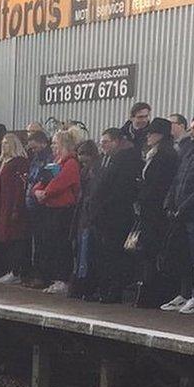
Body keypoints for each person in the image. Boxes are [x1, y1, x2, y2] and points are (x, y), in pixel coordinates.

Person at [85, 128, 142, 303]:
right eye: (101, 143)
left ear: (116, 142)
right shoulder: (103, 161)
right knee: (102, 254)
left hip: (115, 215)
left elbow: (119, 190)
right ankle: (103, 287)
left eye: (106, 142)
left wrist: (101, 206)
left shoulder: (125, 160)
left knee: (114, 254)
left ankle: (114, 291)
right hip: (101, 215)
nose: (103, 146)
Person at [133, 118, 180, 307]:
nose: (148, 136)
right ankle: (150, 291)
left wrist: (142, 190)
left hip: (155, 211)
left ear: (160, 135)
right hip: (151, 209)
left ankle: (152, 293)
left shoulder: (165, 156)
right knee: (149, 251)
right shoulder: (159, 154)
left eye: (151, 133)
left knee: (152, 250)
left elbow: (158, 185)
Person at [31, 130, 81, 294]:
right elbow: (43, 179)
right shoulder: (55, 161)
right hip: (51, 208)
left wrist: (45, 193)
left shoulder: (71, 163)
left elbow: (61, 181)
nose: (52, 146)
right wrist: (37, 191)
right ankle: (54, 277)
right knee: (51, 243)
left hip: (63, 210)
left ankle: (63, 279)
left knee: (62, 245)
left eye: (55, 143)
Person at [163, 117, 194, 313]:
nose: (192, 132)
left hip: (190, 213)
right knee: (183, 255)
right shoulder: (188, 152)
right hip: (181, 213)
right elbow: (177, 179)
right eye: (192, 128)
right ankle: (184, 293)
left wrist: (183, 207)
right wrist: (169, 202)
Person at [0, 134, 30, 285]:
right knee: (3, 237)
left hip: (13, 203)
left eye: (7, 143)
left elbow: (20, 186)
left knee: (15, 237)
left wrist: (16, 207)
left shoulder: (19, 162)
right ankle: (7, 270)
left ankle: (16, 271)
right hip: (2, 204)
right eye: (3, 143)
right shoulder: (2, 162)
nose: (4, 146)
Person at [69, 140, 102, 299]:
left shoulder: (94, 171)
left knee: (86, 253)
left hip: (88, 217)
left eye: (84, 155)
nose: (81, 158)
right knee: (82, 252)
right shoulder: (87, 171)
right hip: (83, 215)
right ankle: (83, 286)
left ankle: (85, 286)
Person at [23, 131, 53, 287]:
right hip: (33, 203)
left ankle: (43, 276)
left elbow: (45, 178)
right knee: (37, 242)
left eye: (35, 148)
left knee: (43, 242)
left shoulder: (49, 159)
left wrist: (35, 185)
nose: (33, 151)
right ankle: (36, 274)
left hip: (43, 205)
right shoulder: (36, 158)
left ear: (43, 143)